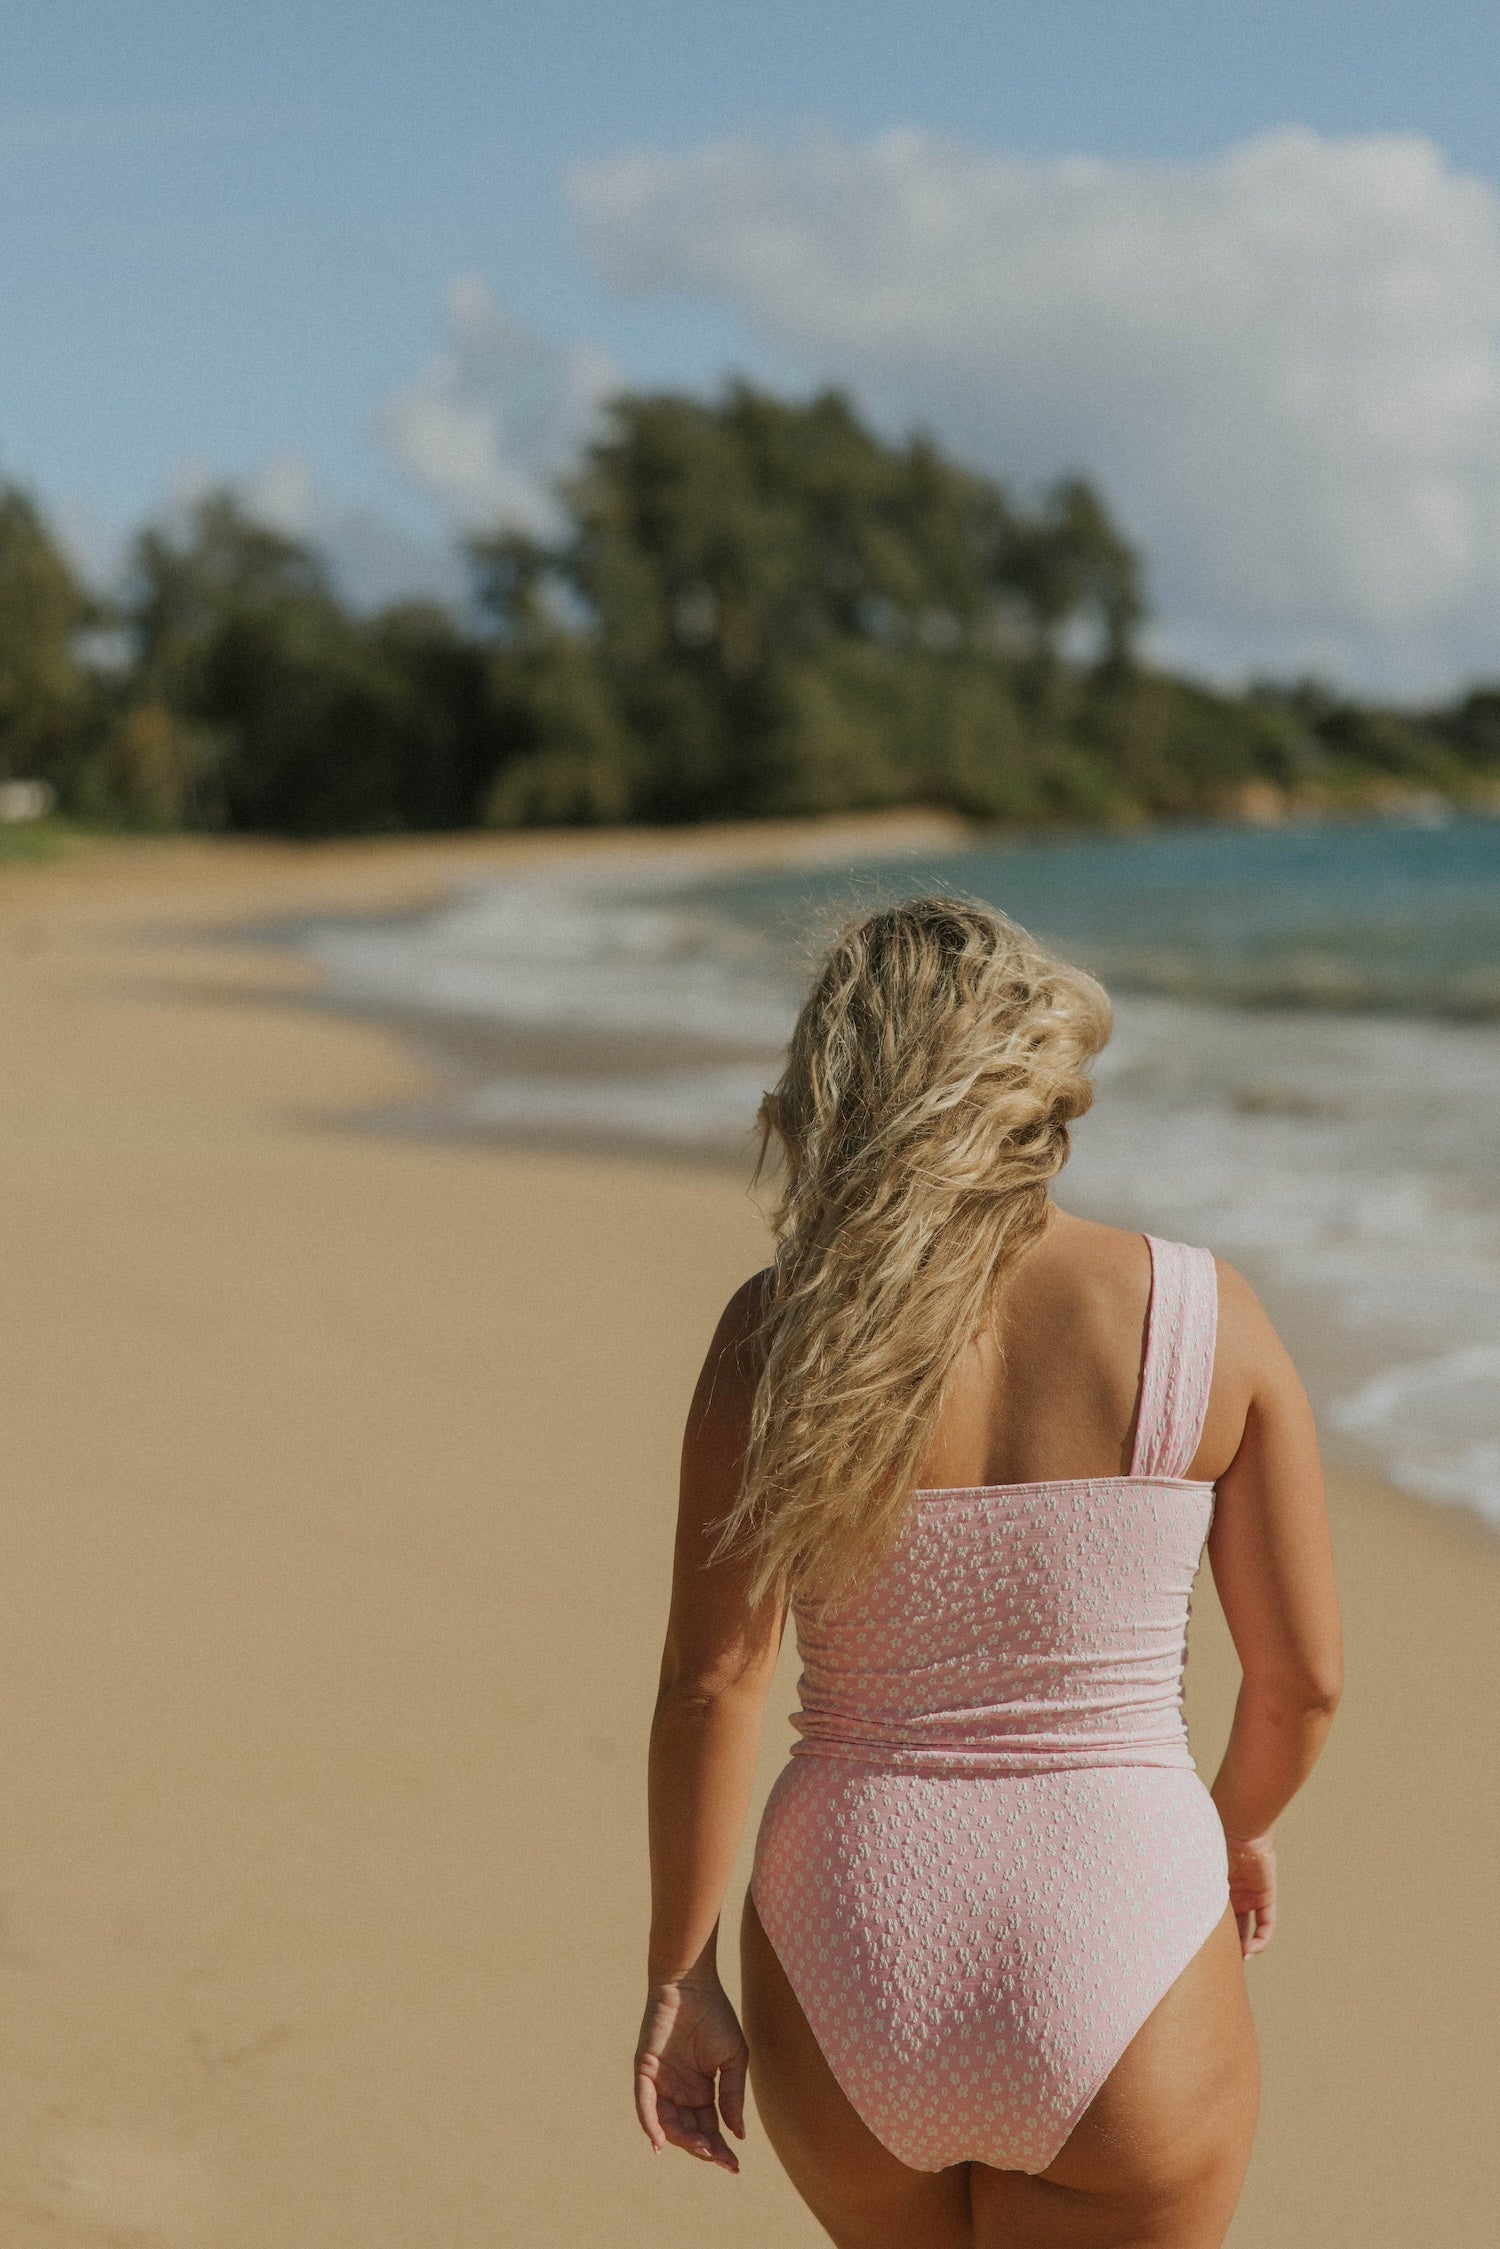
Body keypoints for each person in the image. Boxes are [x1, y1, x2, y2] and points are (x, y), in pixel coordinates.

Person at [633, 897, 1341, 2249]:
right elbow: (1302, 1682)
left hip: (853, 1944)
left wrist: (681, 1971)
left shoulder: (776, 1333)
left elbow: (712, 1684)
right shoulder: (1201, 1313)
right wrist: (1235, 1821)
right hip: (1118, 1930)